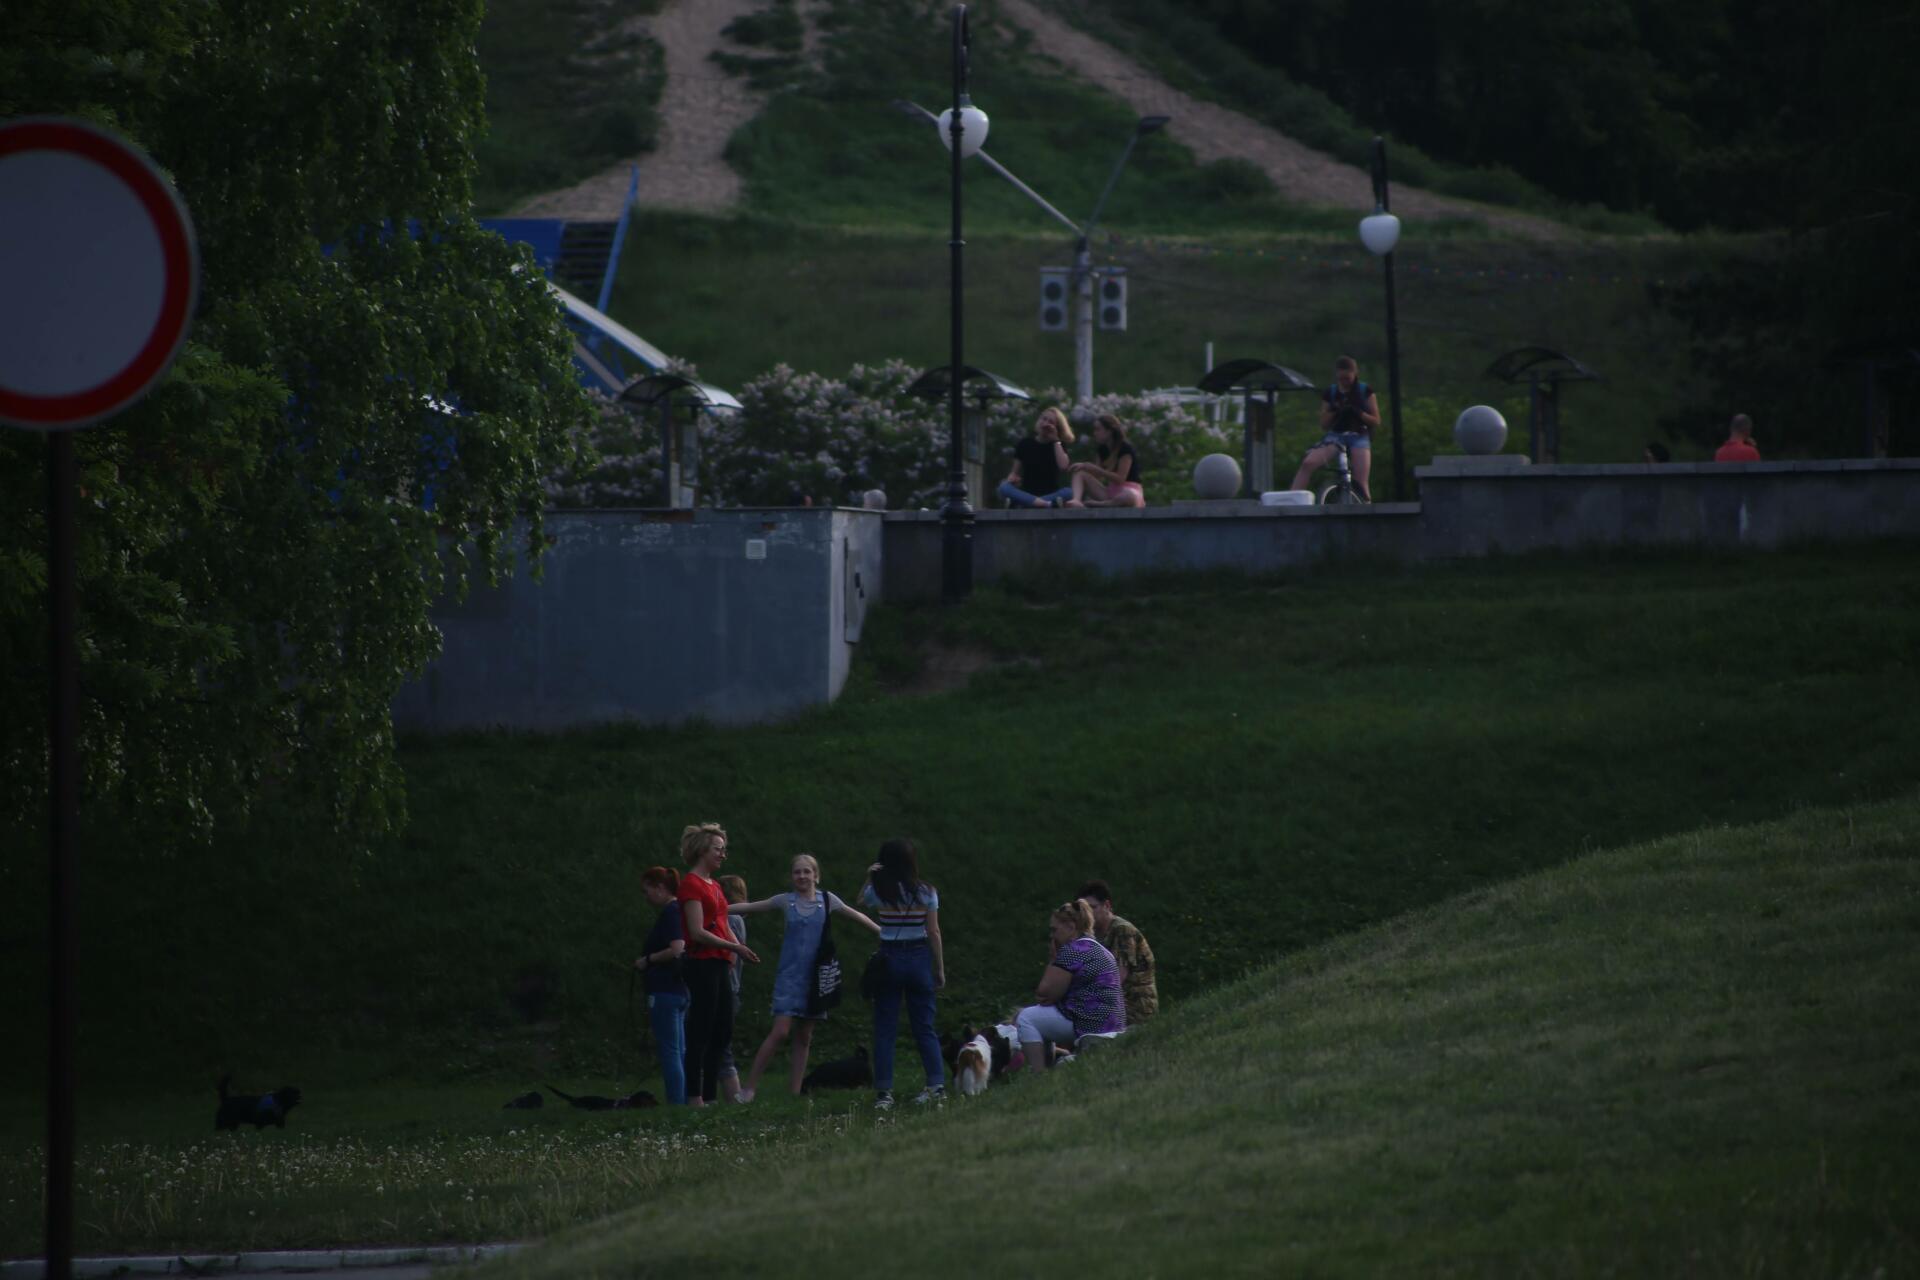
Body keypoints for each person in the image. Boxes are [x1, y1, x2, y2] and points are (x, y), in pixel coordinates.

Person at [731, 854, 883, 1102]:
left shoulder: (828, 900)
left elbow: (857, 916)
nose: (802, 876)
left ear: (816, 875)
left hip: (815, 980)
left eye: (806, 872)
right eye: (797, 872)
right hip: (789, 977)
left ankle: (794, 1092)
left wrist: (882, 932)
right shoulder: (785, 901)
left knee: (804, 1037)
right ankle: (749, 1088)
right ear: (792, 876)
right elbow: (751, 907)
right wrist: (714, 908)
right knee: (780, 1031)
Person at [858, 838, 946, 1108]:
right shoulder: (927, 892)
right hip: (919, 958)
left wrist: (869, 875)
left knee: (885, 1028)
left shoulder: (879, 890)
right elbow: (933, 931)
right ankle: (936, 1086)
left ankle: (884, 1093)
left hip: (889, 958)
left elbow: (861, 900)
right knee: (924, 1026)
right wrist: (939, 968)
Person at [674, 823, 758, 1107]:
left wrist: (739, 948)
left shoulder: (716, 886)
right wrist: (734, 947)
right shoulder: (691, 885)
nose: (723, 854)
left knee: (722, 1029)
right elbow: (697, 931)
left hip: (721, 962)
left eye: (724, 849)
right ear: (702, 851)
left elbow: (723, 924)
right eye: (718, 849)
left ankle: (709, 1096)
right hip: (702, 963)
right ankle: (695, 1097)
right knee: (701, 1028)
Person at [1016, 900, 1125, 1074]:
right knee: (1043, 1015)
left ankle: (1038, 1073)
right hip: (1113, 1022)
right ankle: (1049, 1066)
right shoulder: (1101, 949)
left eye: (1055, 930)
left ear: (1071, 926)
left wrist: (1053, 958)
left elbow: (1044, 992)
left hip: (1089, 1022)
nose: (1052, 936)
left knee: (1026, 1018)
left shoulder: (1073, 950)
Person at [635, 866, 690, 1105]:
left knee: (670, 1051)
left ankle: (677, 1102)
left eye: (646, 891)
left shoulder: (671, 912)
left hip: (665, 990)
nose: (646, 897)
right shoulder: (681, 910)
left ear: (659, 887)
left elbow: (677, 948)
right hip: (679, 989)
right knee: (679, 1049)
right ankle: (686, 1098)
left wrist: (647, 960)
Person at [1289, 356, 1379, 500]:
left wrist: (1358, 412)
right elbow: (1324, 424)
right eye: (1341, 379)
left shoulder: (1365, 390)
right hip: (1336, 436)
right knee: (1308, 463)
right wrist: (1335, 409)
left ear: (1355, 373)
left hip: (1359, 435)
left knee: (1361, 481)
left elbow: (1376, 421)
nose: (1344, 382)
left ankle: (1365, 507)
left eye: (1347, 378)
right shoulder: (1331, 392)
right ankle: (1292, 499)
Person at [1076, 879, 1157, 1025]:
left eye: (1092, 908)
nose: (1087, 914)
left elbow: (1117, 978)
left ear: (1107, 906)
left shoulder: (1122, 931)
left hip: (1134, 1006)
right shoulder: (1090, 936)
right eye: (1083, 911)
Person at [998, 406, 1076, 509]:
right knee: (1003, 487)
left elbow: (1063, 466)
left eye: (1051, 422)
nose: (1045, 423)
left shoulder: (1058, 445)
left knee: (1070, 492)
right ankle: (1044, 504)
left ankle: (1031, 503)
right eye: (1044, 419)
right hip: (1027, 493)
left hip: (1050, 494)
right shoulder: (1025, 443)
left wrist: (1056, 440)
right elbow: (1014, 473)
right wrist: (1013, 479)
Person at [716, 874, 750, 1103]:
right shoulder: (738, 919)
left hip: (726, 989)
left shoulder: (731, 918)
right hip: (731, 989)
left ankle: (734, 1100)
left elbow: (730, 955)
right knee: (721, 1049)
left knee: (722, 1051)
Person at [1064, 414, 1145, 508]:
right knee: (1079, 473)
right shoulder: (1102, 449)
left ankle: (1102, 504)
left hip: (1129, 491)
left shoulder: (1125, 448)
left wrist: (1096, 469)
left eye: (1098, 429)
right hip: (1110, 493)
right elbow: (1098, 476)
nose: (1095, 433)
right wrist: (1085, 467)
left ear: (1109, 431)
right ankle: (1076, 500)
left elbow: (1120, 479)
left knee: (1128, 496)